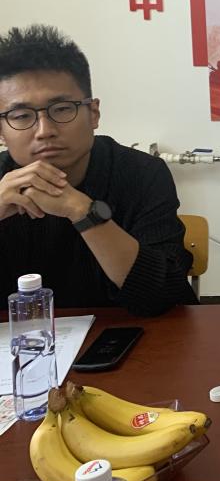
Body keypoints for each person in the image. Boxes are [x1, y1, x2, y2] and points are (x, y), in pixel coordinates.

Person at [0, 25, 196, 316]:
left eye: (62, 109)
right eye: (21, 115)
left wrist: (82, 211)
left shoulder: (142, 173)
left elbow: (164, 296)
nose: (44, 131)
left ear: (93, 113)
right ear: (2, 131)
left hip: (130, 337)